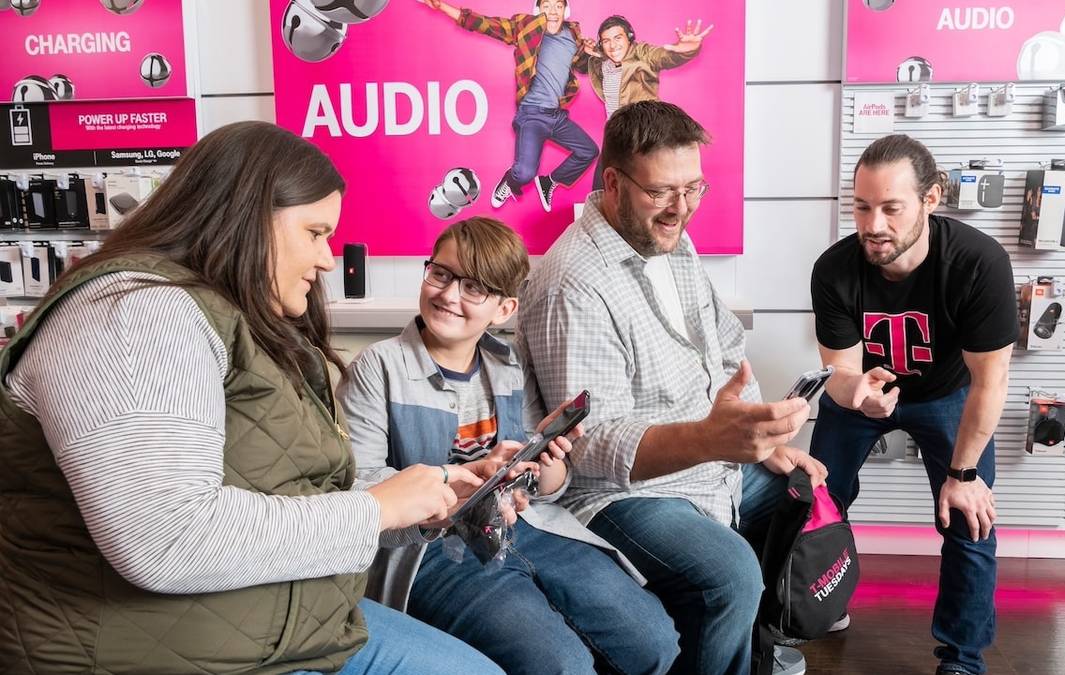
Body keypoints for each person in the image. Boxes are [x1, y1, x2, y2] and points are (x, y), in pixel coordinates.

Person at [0, 121, 505, 675]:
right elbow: (167, 538)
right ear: (244, 216)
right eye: (315, 233)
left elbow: (279, 488)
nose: (327, 260)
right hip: (167, 650)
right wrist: (376, 508)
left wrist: (420, 503)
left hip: (274, 623)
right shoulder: (135, 315)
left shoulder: (226, 317)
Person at [515, 100, 827, 675]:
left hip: (707, 465)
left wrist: (757, 434)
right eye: (662, 192)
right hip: (616, 495)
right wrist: (714, 440)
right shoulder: (572, 283)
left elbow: (726, 346)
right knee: (730, 572)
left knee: (805, 493)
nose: (681, 210)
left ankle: (750, 643)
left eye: (694, 189)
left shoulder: (671, 241)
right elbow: (593, 446)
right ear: (611, 182)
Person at [336, 215, 680, 675]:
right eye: (441, 273)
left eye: (473, 287)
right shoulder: (376, 368)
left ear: (503, 309)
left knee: (654, 640)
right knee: (560, 664)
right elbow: (358, 486)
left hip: (525, 526)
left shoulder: (510, 366)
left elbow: (550, 488)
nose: (449, 295)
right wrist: (453, 484)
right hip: (432, 548)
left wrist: (544, 460)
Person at [809, 134, 1017, 675]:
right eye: (861, 206)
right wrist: (857, 393)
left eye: (890, 208)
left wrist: (964, 473)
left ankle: (962, 658)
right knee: (817, 501)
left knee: (969, 518)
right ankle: (821, 606)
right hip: (865, 395)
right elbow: (839, 373)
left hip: (947, 394)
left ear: (931, 198)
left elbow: (990, 382)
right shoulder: (834, 270)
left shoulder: (979, 263)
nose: (873, 225)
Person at [418, 0, 598, 213]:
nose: (552, 12)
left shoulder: (573, 35)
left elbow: (579, 66)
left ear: (565, 10)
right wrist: (443, 7)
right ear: (538, 10)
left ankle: (549, 182)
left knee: (589, 151)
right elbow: (484, 24)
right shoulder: (525, 27)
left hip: (557, 116)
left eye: (558, 6)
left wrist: (588, 53)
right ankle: (509, 182)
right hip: (532, 114)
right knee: (524, 174)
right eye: (547, 6)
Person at [577, 16, 713, 189]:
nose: (612, 45)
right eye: (606, 41)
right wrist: (585, 51)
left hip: (641, 133)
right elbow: (582, 64)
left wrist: (687, 50)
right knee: (600, 188)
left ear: (630, 37)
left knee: (643, 188)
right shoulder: (602, 62)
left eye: (618, 38)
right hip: (614, 132)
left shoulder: (643, 54)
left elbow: (663, 57)